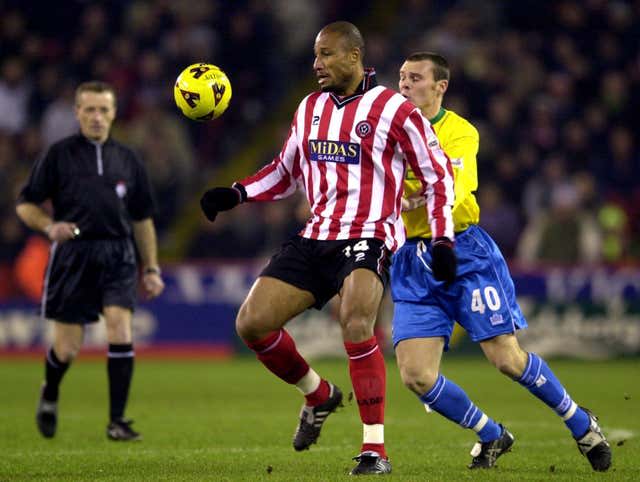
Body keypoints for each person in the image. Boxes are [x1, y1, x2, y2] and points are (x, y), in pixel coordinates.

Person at [199, 22, 456, 475]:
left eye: (327, 55)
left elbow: (437, 176)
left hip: (369, 235)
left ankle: (374, 449)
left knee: (356, 321)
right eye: (315, 55)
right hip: (315, 236)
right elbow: (285, 170)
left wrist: (441, 238)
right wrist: (236, 193)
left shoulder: (394, 109)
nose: (317, 64)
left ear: (354, 57)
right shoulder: (309, 107)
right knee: (252, 324)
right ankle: (318, 394)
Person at [393, 51, 611, 471]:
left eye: (415, 77)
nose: (404, 84)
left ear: (440, 87)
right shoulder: (387, 131)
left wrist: (410, 195)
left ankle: (581, 423)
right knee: (416, 376)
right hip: (413, 259)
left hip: (462, 251)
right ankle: (492, 434)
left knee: (507, 359)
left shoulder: (459, 132)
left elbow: (453, 188)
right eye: (401, 76)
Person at [16, 81, 164, 441]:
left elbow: (142, 218)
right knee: (66, 349)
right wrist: (49, 226)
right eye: (90, 110)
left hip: (118, 253)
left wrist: (152, 267)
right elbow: (25, 204)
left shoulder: (128, 159)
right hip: (73, 256)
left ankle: (117, 421)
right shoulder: (58, 155)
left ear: (114, 113)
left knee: (120, 328)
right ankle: (50, 391)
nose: (97, 117)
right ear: (77, 113)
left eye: (104, 110)